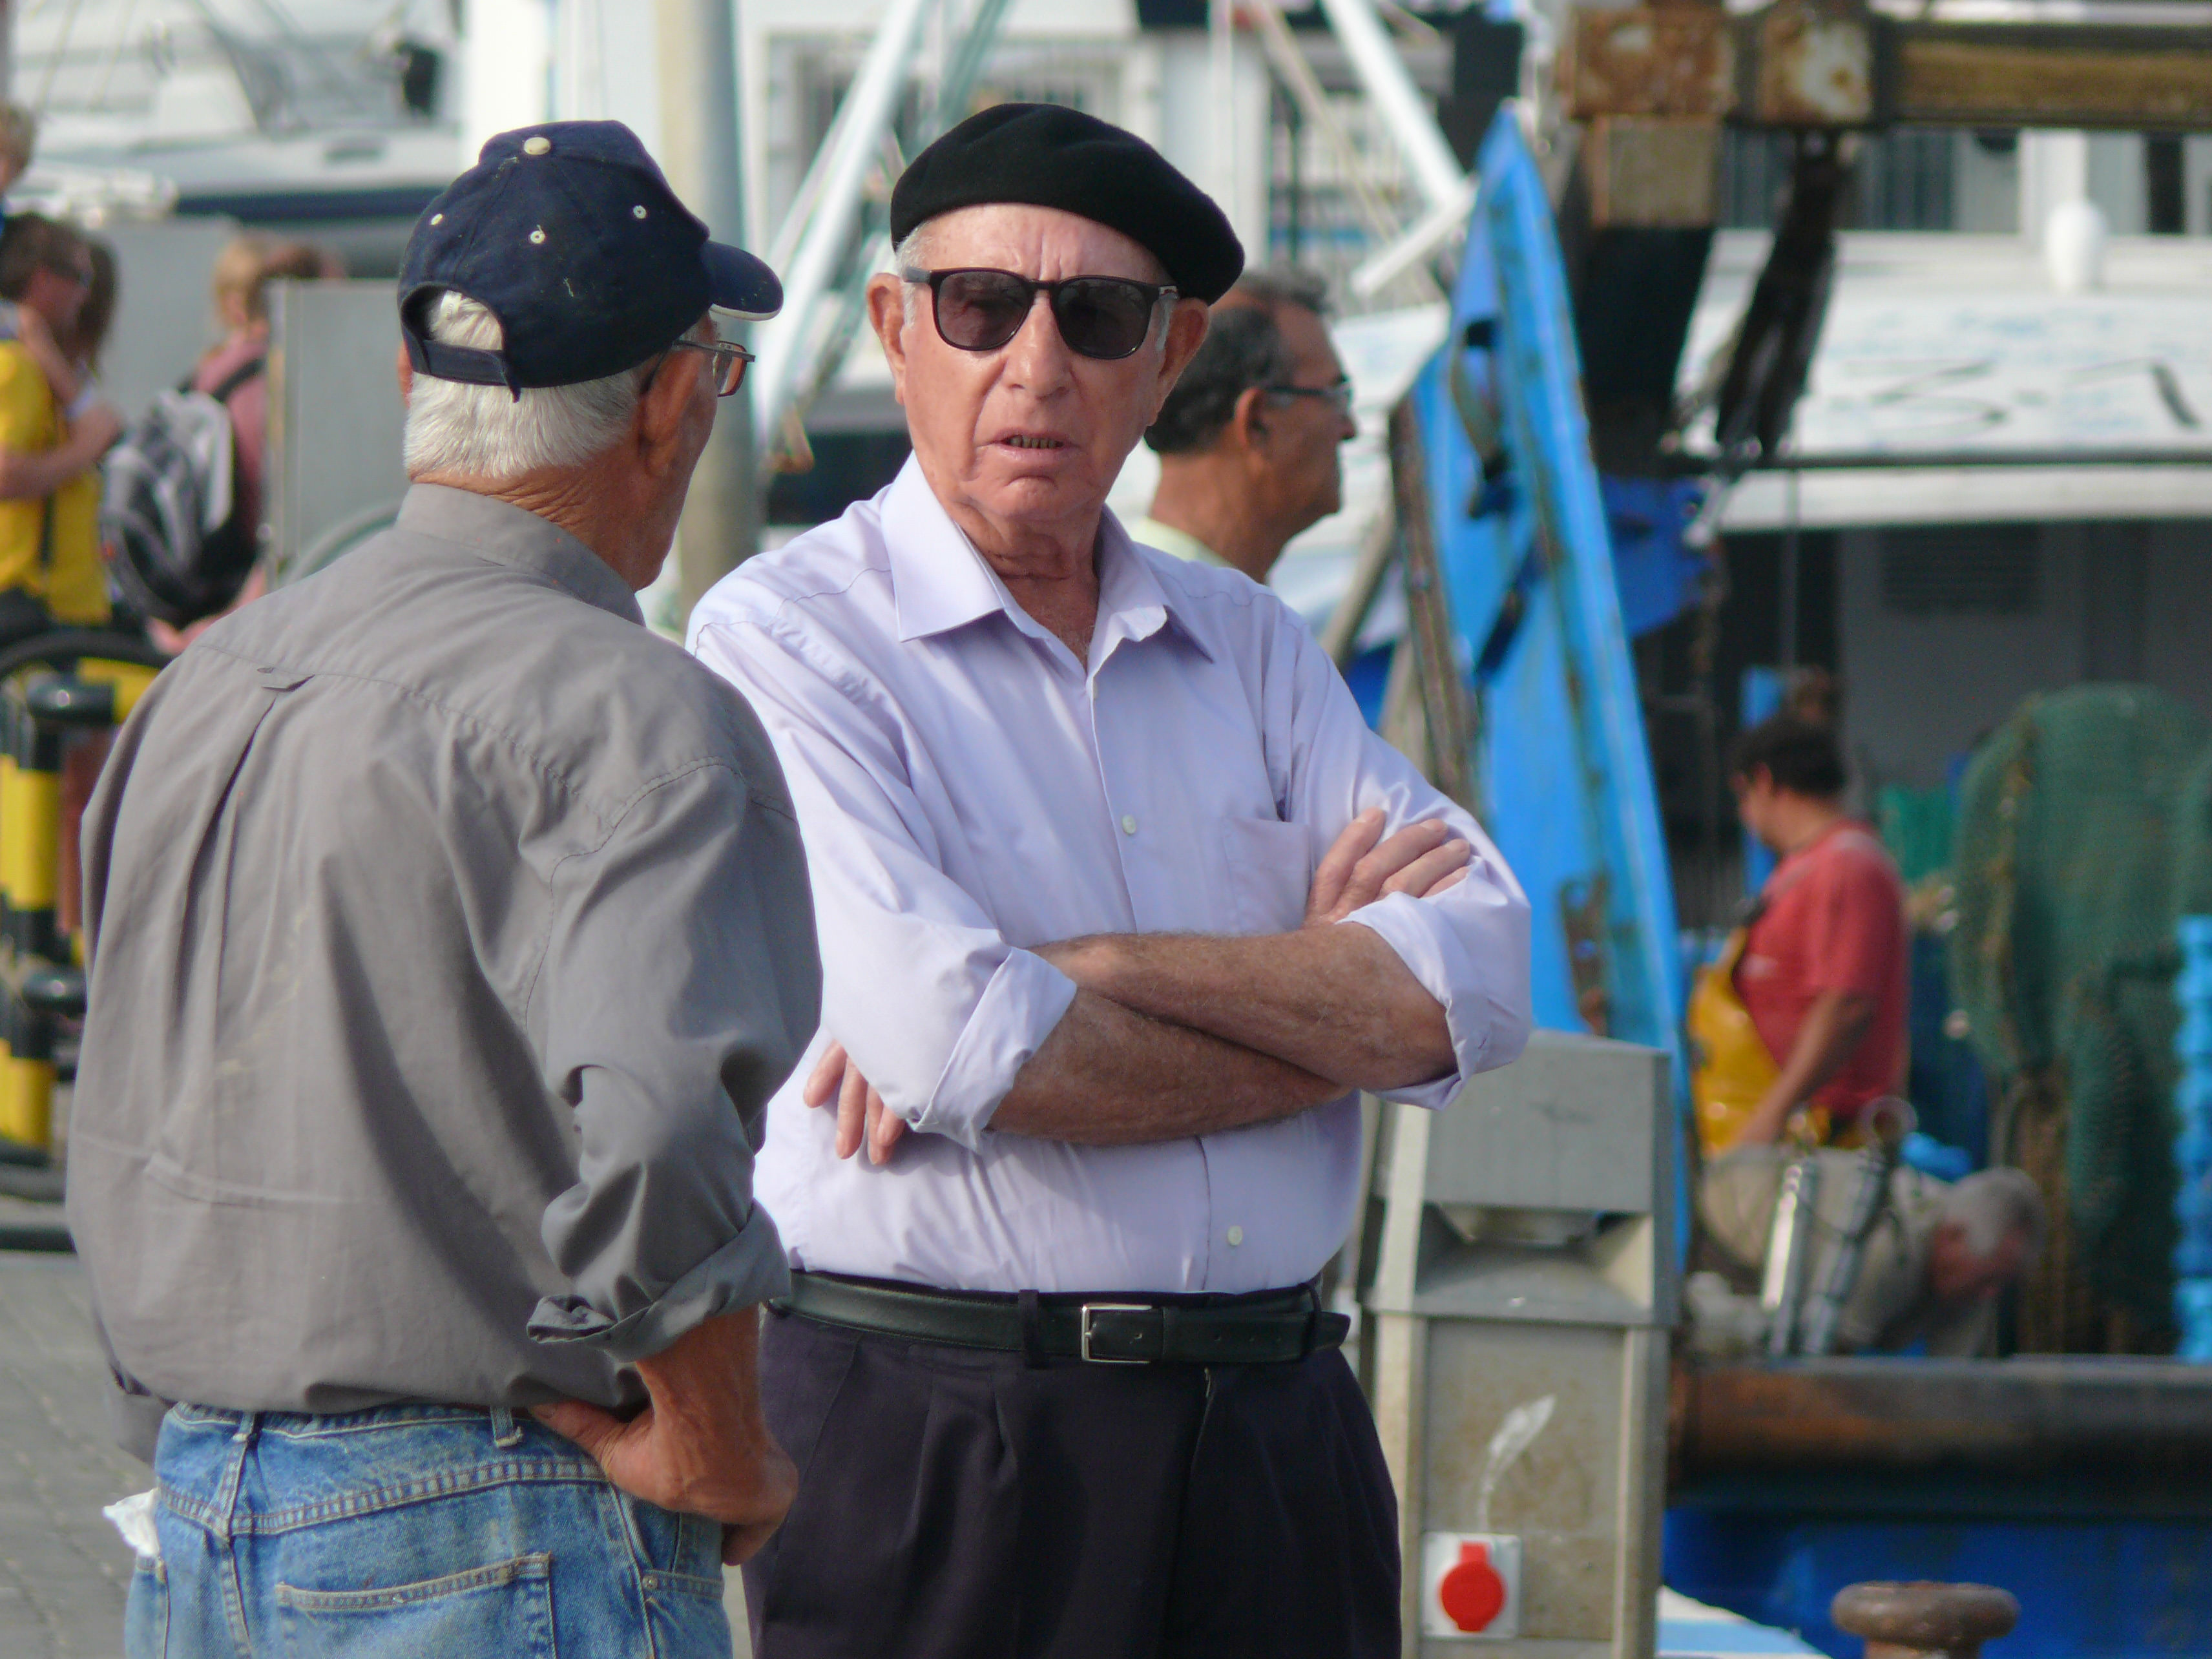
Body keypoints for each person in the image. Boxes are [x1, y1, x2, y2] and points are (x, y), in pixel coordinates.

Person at [687, 102, 1532, 1659]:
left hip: (1276, 1434)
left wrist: (1088, 967)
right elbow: (963, 1048)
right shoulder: (785, 639)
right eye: (980, 306)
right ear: (894, 327)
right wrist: (1316, 1009)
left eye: (1094, 316)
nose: (1036, 363)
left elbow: (1472, 983)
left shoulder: (1255, 647)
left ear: (1168, 354)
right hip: (940, 1434)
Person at [68, 121, 813, 1658]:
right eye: (715, 377)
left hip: (200, 1503)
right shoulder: (639, 714)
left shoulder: (206, 683)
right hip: (493, 1522)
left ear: (417, 378)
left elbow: (125, 1091)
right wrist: (717, 1439)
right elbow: (666, 1134)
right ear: (667, 403)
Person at [144, 236, 342, 651]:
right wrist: (224, 629)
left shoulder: (206, 375)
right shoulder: (270, 390)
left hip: (192, 608)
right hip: (248, 623)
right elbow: (278, 529)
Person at [1720, 713, 1909, 1148]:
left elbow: (1846, 1005)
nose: (1743, 815)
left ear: (1764, 781)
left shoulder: (1847, 867)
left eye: (1742, 796)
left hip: (1826, 1143)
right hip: (1792, 1131)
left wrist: (1771, 1117)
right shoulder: (1799, 869)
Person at [1690, 1150, 2045, 1358]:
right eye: (1988, 1279)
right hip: (1718, 1231)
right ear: (1953, 1238)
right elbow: (1820, 1373)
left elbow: (1956, 1386)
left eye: (2002, 1283)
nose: (1990, 1294)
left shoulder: (1972, 1283)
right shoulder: (1883, 1250)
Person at [1133, 263, 1357, 581]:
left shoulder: (1133, 591)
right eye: (1333, 396)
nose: (1351, 430)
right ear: (1258, 422)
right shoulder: (1176, 606)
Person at [0, 213, 119, 645]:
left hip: (61, 608)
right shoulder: (16, 368)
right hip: (29, 607)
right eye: (80, 279)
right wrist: (84, 451)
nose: (85, 296)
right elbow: (5, 473)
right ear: (44, 279)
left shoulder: (43, 368)